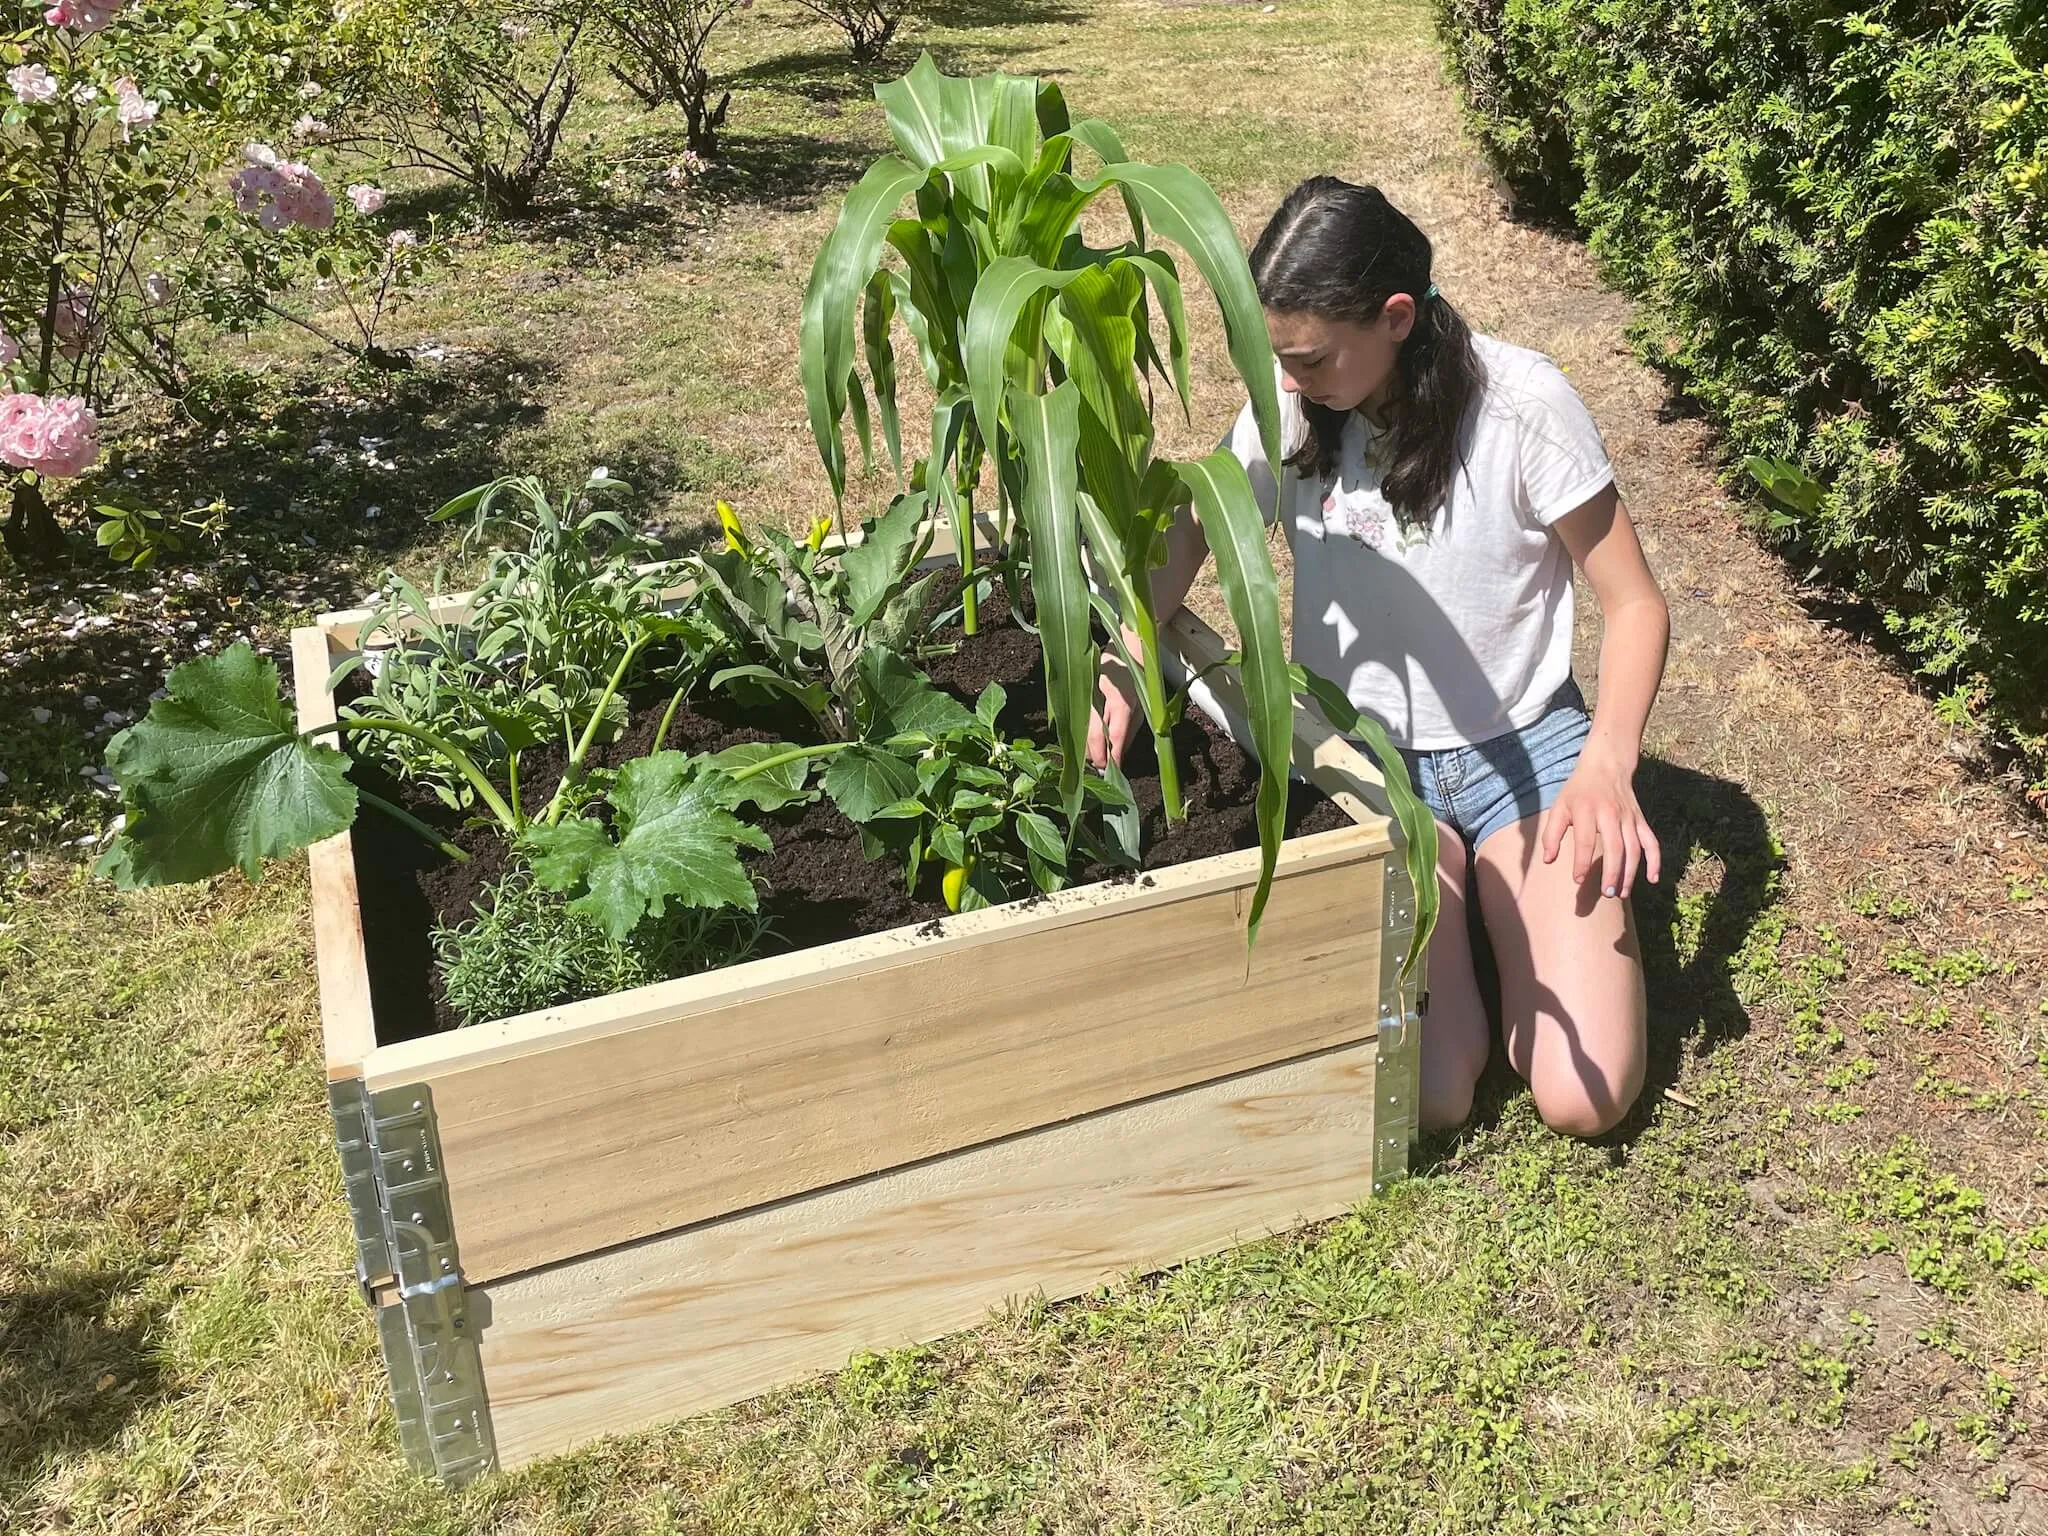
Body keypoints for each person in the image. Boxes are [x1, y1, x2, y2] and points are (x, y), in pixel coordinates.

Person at [1087, 177, 1669, 1138]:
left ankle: (1507, 913)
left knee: (1586, 1095)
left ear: (1396, 318)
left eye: (1309, 356)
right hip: (1368, 770)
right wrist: (1122, 651)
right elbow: (1195, 537)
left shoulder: (1523, 405)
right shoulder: (1288, 406)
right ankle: (1491, 932)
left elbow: (1634, 600)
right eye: (1274, 355)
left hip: (1523, 757)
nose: (1285, 378)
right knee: (1428, 1097)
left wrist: (1606, 763)